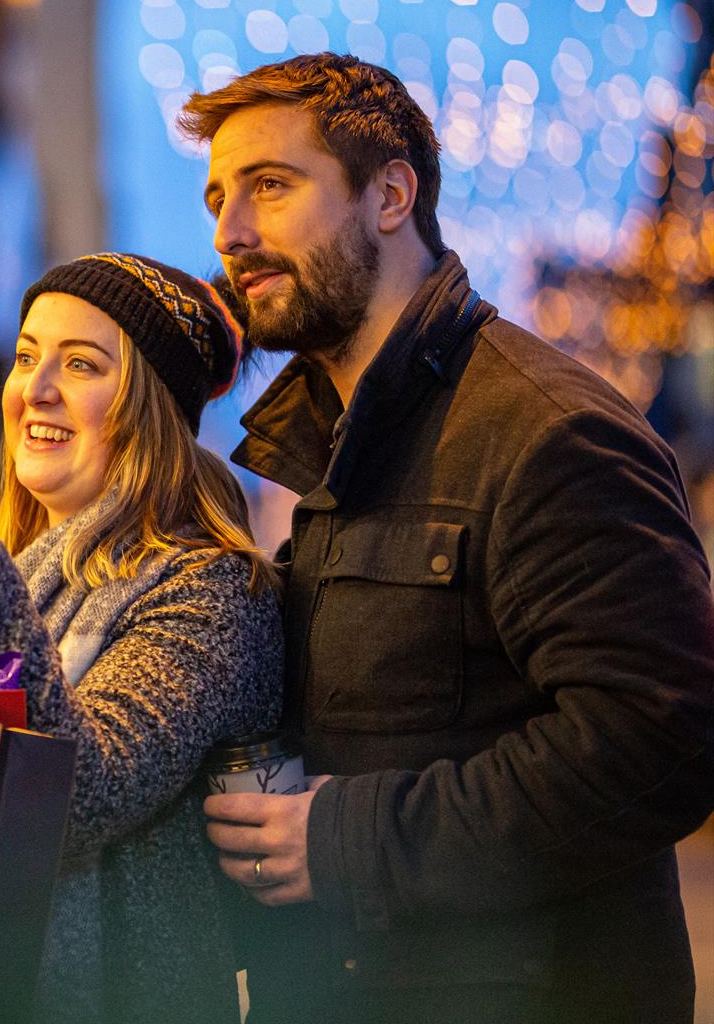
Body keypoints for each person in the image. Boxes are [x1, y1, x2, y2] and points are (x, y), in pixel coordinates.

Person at [178, 52, 714, 1023]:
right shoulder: (337, 446)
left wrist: (348, 841)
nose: (231, 231)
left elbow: (665, 740)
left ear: (390, 195)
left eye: (271, 185)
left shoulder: (544, 428)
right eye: (219, 196)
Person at [0, 252, 284, 1023]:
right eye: (26, 357)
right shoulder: (20, 576)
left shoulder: (212, 590)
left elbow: (78, 794)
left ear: (150, 408)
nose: (35, 389)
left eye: (81, 364)